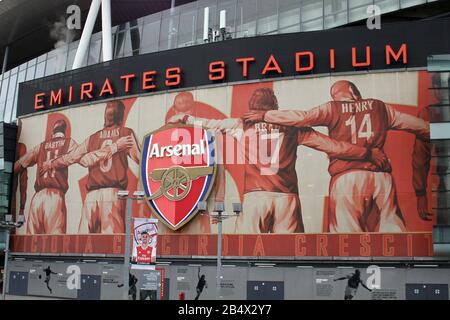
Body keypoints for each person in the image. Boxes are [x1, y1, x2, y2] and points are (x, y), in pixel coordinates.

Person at [170, 88, 388, 233]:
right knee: (290, 254)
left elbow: (210, 124)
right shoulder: (293, 128)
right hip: (287, 198)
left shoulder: (240, 125)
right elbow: (333, 146)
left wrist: (186, 118)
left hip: (255, 196)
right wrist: (367, 153)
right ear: (274, 107)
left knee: (243, 253)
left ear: (252, 107)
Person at [244, 80, 430, 232]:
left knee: (346, 235)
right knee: (392, 226)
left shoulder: (332, 108)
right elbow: (422, 128)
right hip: (381, 176)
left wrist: (266, 116)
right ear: (355, 93)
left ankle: (352, 276)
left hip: (346, 177)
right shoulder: (380, 107)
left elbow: (303, 117)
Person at [42, 101, 140, 233]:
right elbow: (140, 159)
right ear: (121, 116)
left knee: (83, 240)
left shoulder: (93, 138)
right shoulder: (125, 133)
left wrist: (52, 163)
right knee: (111, 242)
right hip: (113, 193)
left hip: (91, 196)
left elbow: (73, 157)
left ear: (105, 116)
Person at [14, 120, 73, 234]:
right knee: (54, 242)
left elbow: (20, 164)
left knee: (31, 243)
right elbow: (79, 155)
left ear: (52, 132)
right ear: (64, 132)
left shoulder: (41, 146)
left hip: (37, 197)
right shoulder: (69, 143)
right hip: (55, 196)